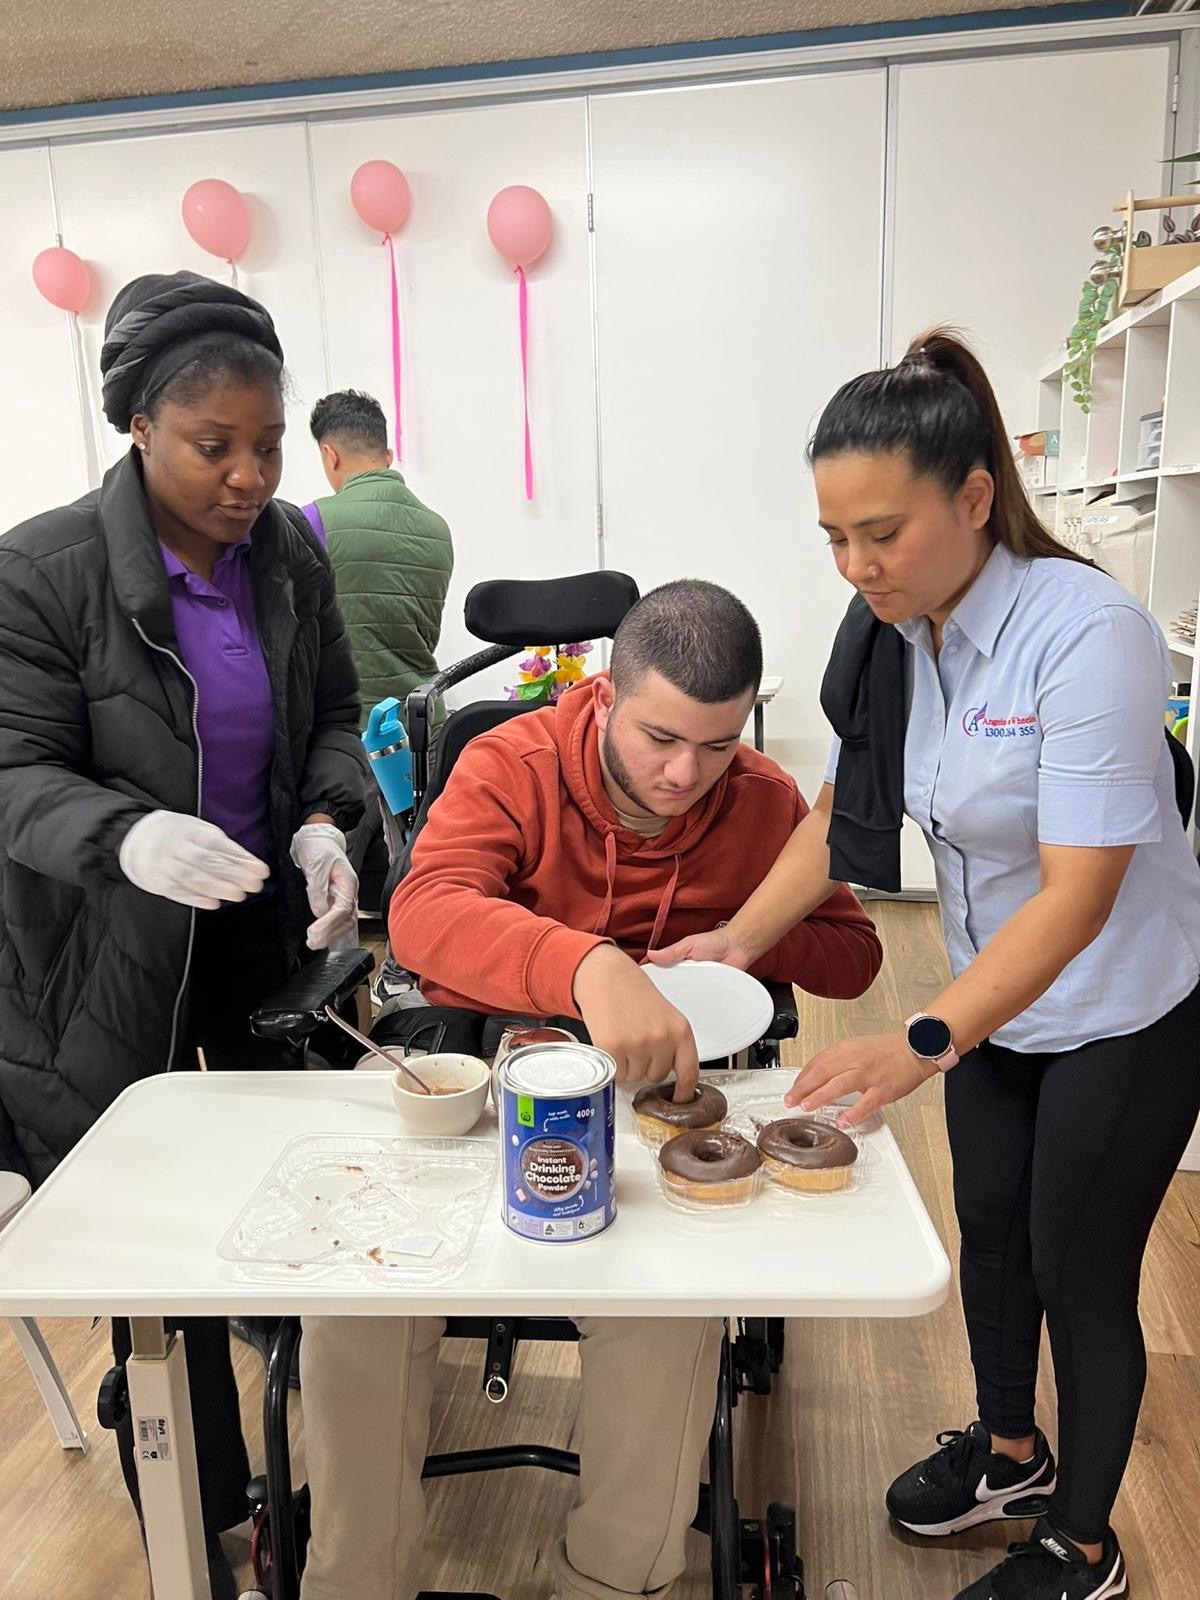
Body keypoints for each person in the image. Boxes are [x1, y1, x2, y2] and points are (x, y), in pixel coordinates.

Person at [655, 333, 1200, 1600]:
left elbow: (1080, 897)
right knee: (995, 1237)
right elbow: (850, 797)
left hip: (1122, 1009)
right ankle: (1009, 1457)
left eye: (881, 533)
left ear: (972, 497)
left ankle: (1085, 1547)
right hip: (993, 1001)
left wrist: (919, 1038)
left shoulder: (1089, 634)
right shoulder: (907, 633)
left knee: (1080, 1267)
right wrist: (738, 937)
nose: (856, 568)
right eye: (835, 537)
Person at [296, 579, 883, 1600]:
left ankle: (612, 1583)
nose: (685, 773)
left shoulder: (758, 799)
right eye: (661, 737)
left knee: (669, 1317)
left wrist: (741, 940)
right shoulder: (512, 764)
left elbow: (853, 952)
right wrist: (587, 965)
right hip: (490, 1081)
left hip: (658, 1117)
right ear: (608, 692)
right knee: (359, 1305)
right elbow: (426, 915)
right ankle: (356, 1580)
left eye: (717, 743)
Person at [0, 271, 367, 1600]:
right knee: (156, 1240)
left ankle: (306, 1459)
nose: (251, 474)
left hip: (259, 921)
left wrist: (327, 822)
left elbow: (334, 705)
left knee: (289, 1183)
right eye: (217, 445)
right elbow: (10, 776)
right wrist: (127, 838)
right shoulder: (38, 573)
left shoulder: (289, 553)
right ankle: (197, 1494)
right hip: (101, 957)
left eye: (268, 443)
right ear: (140, 426)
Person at [303, 388, 453, 725]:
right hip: (424, 724)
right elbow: (423, 635)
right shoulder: (437, 529)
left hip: (354, 732)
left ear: (330, 455)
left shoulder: (311, 522)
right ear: (387, 455)